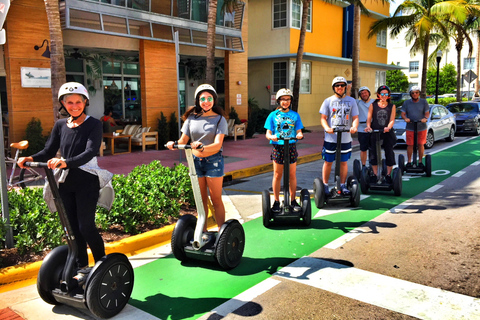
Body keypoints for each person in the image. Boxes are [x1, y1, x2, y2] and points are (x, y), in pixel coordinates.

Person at [17, 82, 112, 283]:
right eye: (69, 102)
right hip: (66, 182)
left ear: (85, 102)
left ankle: (102, 263)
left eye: (78, 101)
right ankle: (82, 267)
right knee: (71, 228)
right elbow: (49, 151)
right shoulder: (61, 125)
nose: (74, 105)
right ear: (63, 103)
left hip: (87, 179)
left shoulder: (94, 124)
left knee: (86, 226)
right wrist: (30, 158)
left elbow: (89, 152)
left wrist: (65, 162)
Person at [166, 84, 228, 240]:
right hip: (195, 161)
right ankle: (203, 233)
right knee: (200, 201)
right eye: (202, 99)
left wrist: (202, 147)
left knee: (215, 199)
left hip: (213, 161)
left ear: (214, 100)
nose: (206, 102)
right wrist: (174, 144)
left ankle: (222, 234)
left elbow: (217, 145)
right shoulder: (191, 119)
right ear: (198, 101)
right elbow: (183, 140)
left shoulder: (220, 120)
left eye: (209, 98)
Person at [264, 88, 304, 213]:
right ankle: (276, 201)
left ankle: (293, 200)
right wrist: (271, 137)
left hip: (291, 145)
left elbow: (299, 130)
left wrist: (299, 135)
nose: (285, 102)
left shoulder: (295, 115)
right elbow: (268, 132)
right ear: (278, 101)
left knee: (292, 174)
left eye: (287, 99)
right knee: (277, 174)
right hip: (278, 146)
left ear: (290, 101)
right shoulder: (273, 115)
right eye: (283, 99)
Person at [320, 76, 359, 195]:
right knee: (328, 161)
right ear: (334, 88)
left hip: (346, 137)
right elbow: (323, 118)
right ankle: (325, 185)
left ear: (346, 87)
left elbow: (355, 117)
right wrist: (327, 128)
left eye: (342, 85)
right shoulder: (328, 101)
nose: (340, 87)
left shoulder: (351, 101)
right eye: (337, 85)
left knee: (343, 162)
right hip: (331, 138)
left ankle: (342, 184)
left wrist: (354, 127)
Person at [365, 85, 397, 183]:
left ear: (388, 95)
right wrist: (368, 126)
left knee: (389, 152)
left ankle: (388, 175)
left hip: (387, 132)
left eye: (386, 94)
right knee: (373, 153)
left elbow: (392, 120)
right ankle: (375, 175)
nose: (384, 95)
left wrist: (389, 127)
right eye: (382, 94)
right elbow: (369, 118)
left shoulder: (392, 106)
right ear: (378, 95)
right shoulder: (373, 105)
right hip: (375, 132)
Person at [401, 86, 429, 168]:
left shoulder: (424, 102)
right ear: (410, 94)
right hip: (410, 126)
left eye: (416, 93)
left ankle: (420, 162)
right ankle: (409, 162)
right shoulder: (406, 103)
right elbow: (403, 113)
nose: (415, 94)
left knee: (421, 144)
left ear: (419, 93)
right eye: (413, 93)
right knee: (410, 145)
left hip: (421, 126)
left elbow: (427, 113)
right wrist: (405, 118)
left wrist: (425, 118)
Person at [357, 86, 374, 168]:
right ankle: (363, 166)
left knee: (373, 148)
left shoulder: (374, 102)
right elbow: (348, 99)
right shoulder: (357, 102)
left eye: (365, 92)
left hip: (373, 128)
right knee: (363, 149)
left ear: (369, 93)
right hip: (361, 129)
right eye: (362, 93)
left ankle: (372, 165)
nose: (364, 94)